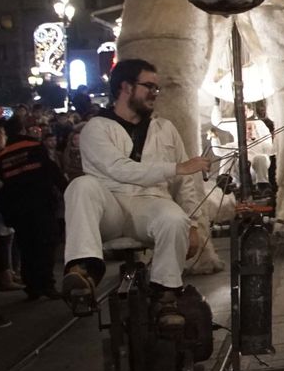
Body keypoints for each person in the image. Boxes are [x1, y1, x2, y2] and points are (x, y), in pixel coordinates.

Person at [60, 59, 211, 330]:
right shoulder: (96, 129)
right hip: (111, 206)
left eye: (157, 87)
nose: (154, 92)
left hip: (151, 204)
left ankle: (166, 294)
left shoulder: (164, 128)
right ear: (126, 87)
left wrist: (195, 223)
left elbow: (186, 184)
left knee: (174, 219)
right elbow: (120, 169)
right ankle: (83, 269)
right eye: (148, 86)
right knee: (80, 186)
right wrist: (176, 167)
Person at [0, 116, 68, 300]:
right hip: (41, 204)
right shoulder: (34, 146)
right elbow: (51, 170)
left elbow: (1, 187)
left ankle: (32, 286)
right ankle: (47, 284)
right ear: (22, 130)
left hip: (18, 210)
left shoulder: (1, 157)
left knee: (27, 247)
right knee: (46, 244)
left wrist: (7, 212)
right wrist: (66, 189)